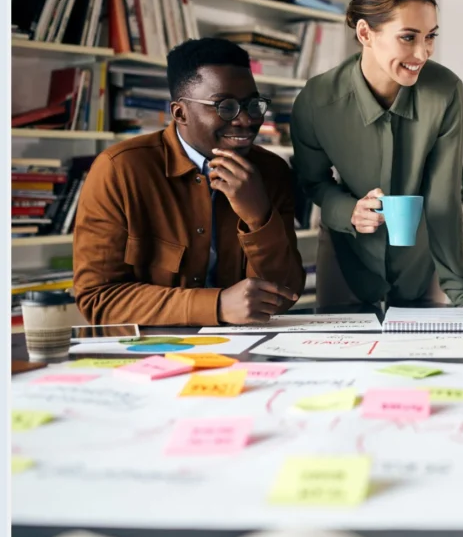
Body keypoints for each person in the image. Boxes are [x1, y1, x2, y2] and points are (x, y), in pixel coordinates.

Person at [73, 39, 304, 327]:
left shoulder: (271, 171)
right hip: (150, 353)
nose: (246, 120)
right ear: (180, 113)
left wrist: (259, 219)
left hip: (244, 351)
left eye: (252, 105)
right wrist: (216, 306)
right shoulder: (119, 170)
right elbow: (97, 299)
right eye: (225, 106)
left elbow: (286, 293)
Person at [291, 0, 463, 307]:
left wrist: (461, 293)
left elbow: (442, 198)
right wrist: (349, 211)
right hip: (347, 255)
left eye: (430, 36)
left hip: (421, 261)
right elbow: (313, 182)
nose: (423, 53)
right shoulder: (316, 99)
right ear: (365, 33)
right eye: (408, 37)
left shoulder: (446, 91)